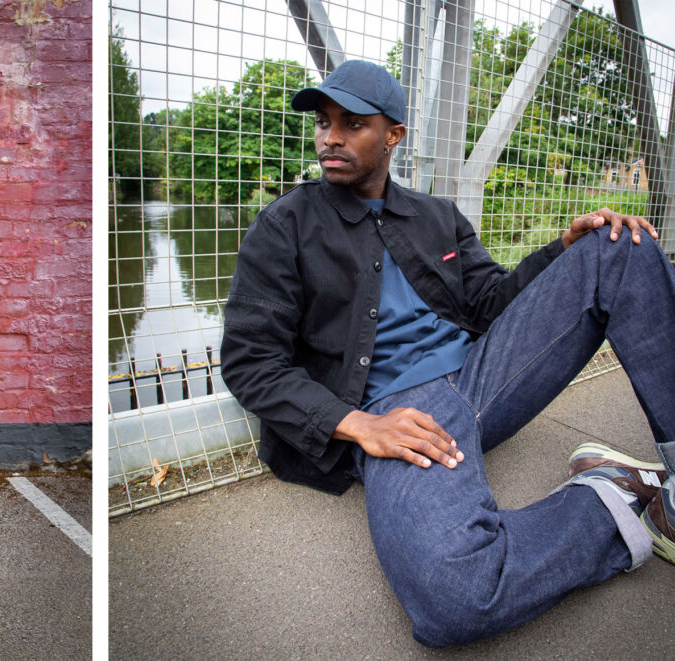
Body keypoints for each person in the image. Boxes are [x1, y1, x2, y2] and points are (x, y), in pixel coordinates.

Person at [221, 59, 674, 647]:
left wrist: (561, 250)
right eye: (323, 122)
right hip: (400, 417)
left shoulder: (437, 216)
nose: (329, 137)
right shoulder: (283, 226)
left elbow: (492, 305)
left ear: (393, 136)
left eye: (351, 123)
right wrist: (361, 426)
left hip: (487, 374)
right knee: (457, 599)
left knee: (623, 243)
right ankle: (618, 497)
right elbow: (250, 361)